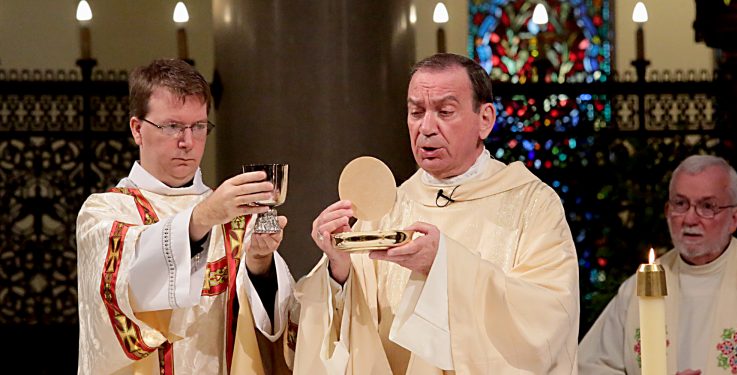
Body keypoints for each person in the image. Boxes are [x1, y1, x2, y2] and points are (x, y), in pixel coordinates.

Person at [293, 53, 580, 374]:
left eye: (445, 112)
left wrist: (444, 265)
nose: (426, 127)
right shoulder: (389, 206)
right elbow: (337, 330)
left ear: (485, 119)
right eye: (416, 112)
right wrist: (339, 268)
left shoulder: (532, 203)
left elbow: (549, 317)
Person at [76, 59, 295, 374]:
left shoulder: (233, 215)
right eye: (172, 126)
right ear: (137, 129)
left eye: (199, 126)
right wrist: (202, 217)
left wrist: (260, 264)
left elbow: (272, 329)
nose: (188, 142)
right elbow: (123, 293)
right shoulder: (105, 211)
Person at [578, 155, 737, 375]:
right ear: (668, 211)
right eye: (680, 204)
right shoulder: (637, 289)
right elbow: (590, 367)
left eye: (707, 206)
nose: (690, 219)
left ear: (734, 218)